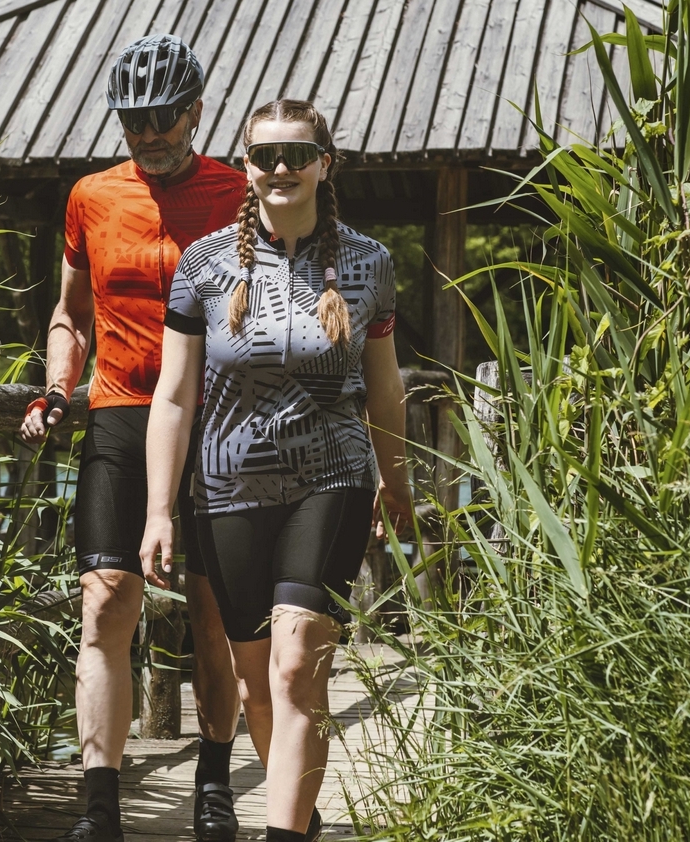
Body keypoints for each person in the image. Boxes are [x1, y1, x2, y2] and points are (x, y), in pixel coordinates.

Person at [140, 99, 413, 841]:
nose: (281, 167)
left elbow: (384, 386)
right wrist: (159, 510)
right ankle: (304, 821)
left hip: (332, 477)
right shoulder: (202, 265)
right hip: (226, 489)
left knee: (296, 669)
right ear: (247, 165)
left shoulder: (369, 263)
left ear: (326, 163)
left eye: (297, 154)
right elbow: (174, 396)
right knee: (255, 681)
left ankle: (281, 835)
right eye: (265, 155)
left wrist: (395, 481)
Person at [20, 34, 247, 842]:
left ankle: (214, 784)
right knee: (107, 601)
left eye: (161, 117)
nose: (147, 133)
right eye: (131, 119)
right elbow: (70, 314)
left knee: (214, 616)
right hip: (120, 409)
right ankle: (100, 808)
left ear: (196, 110)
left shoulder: (240, 194)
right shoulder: (91, 197)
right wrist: (57, 388)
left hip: (218, 418)